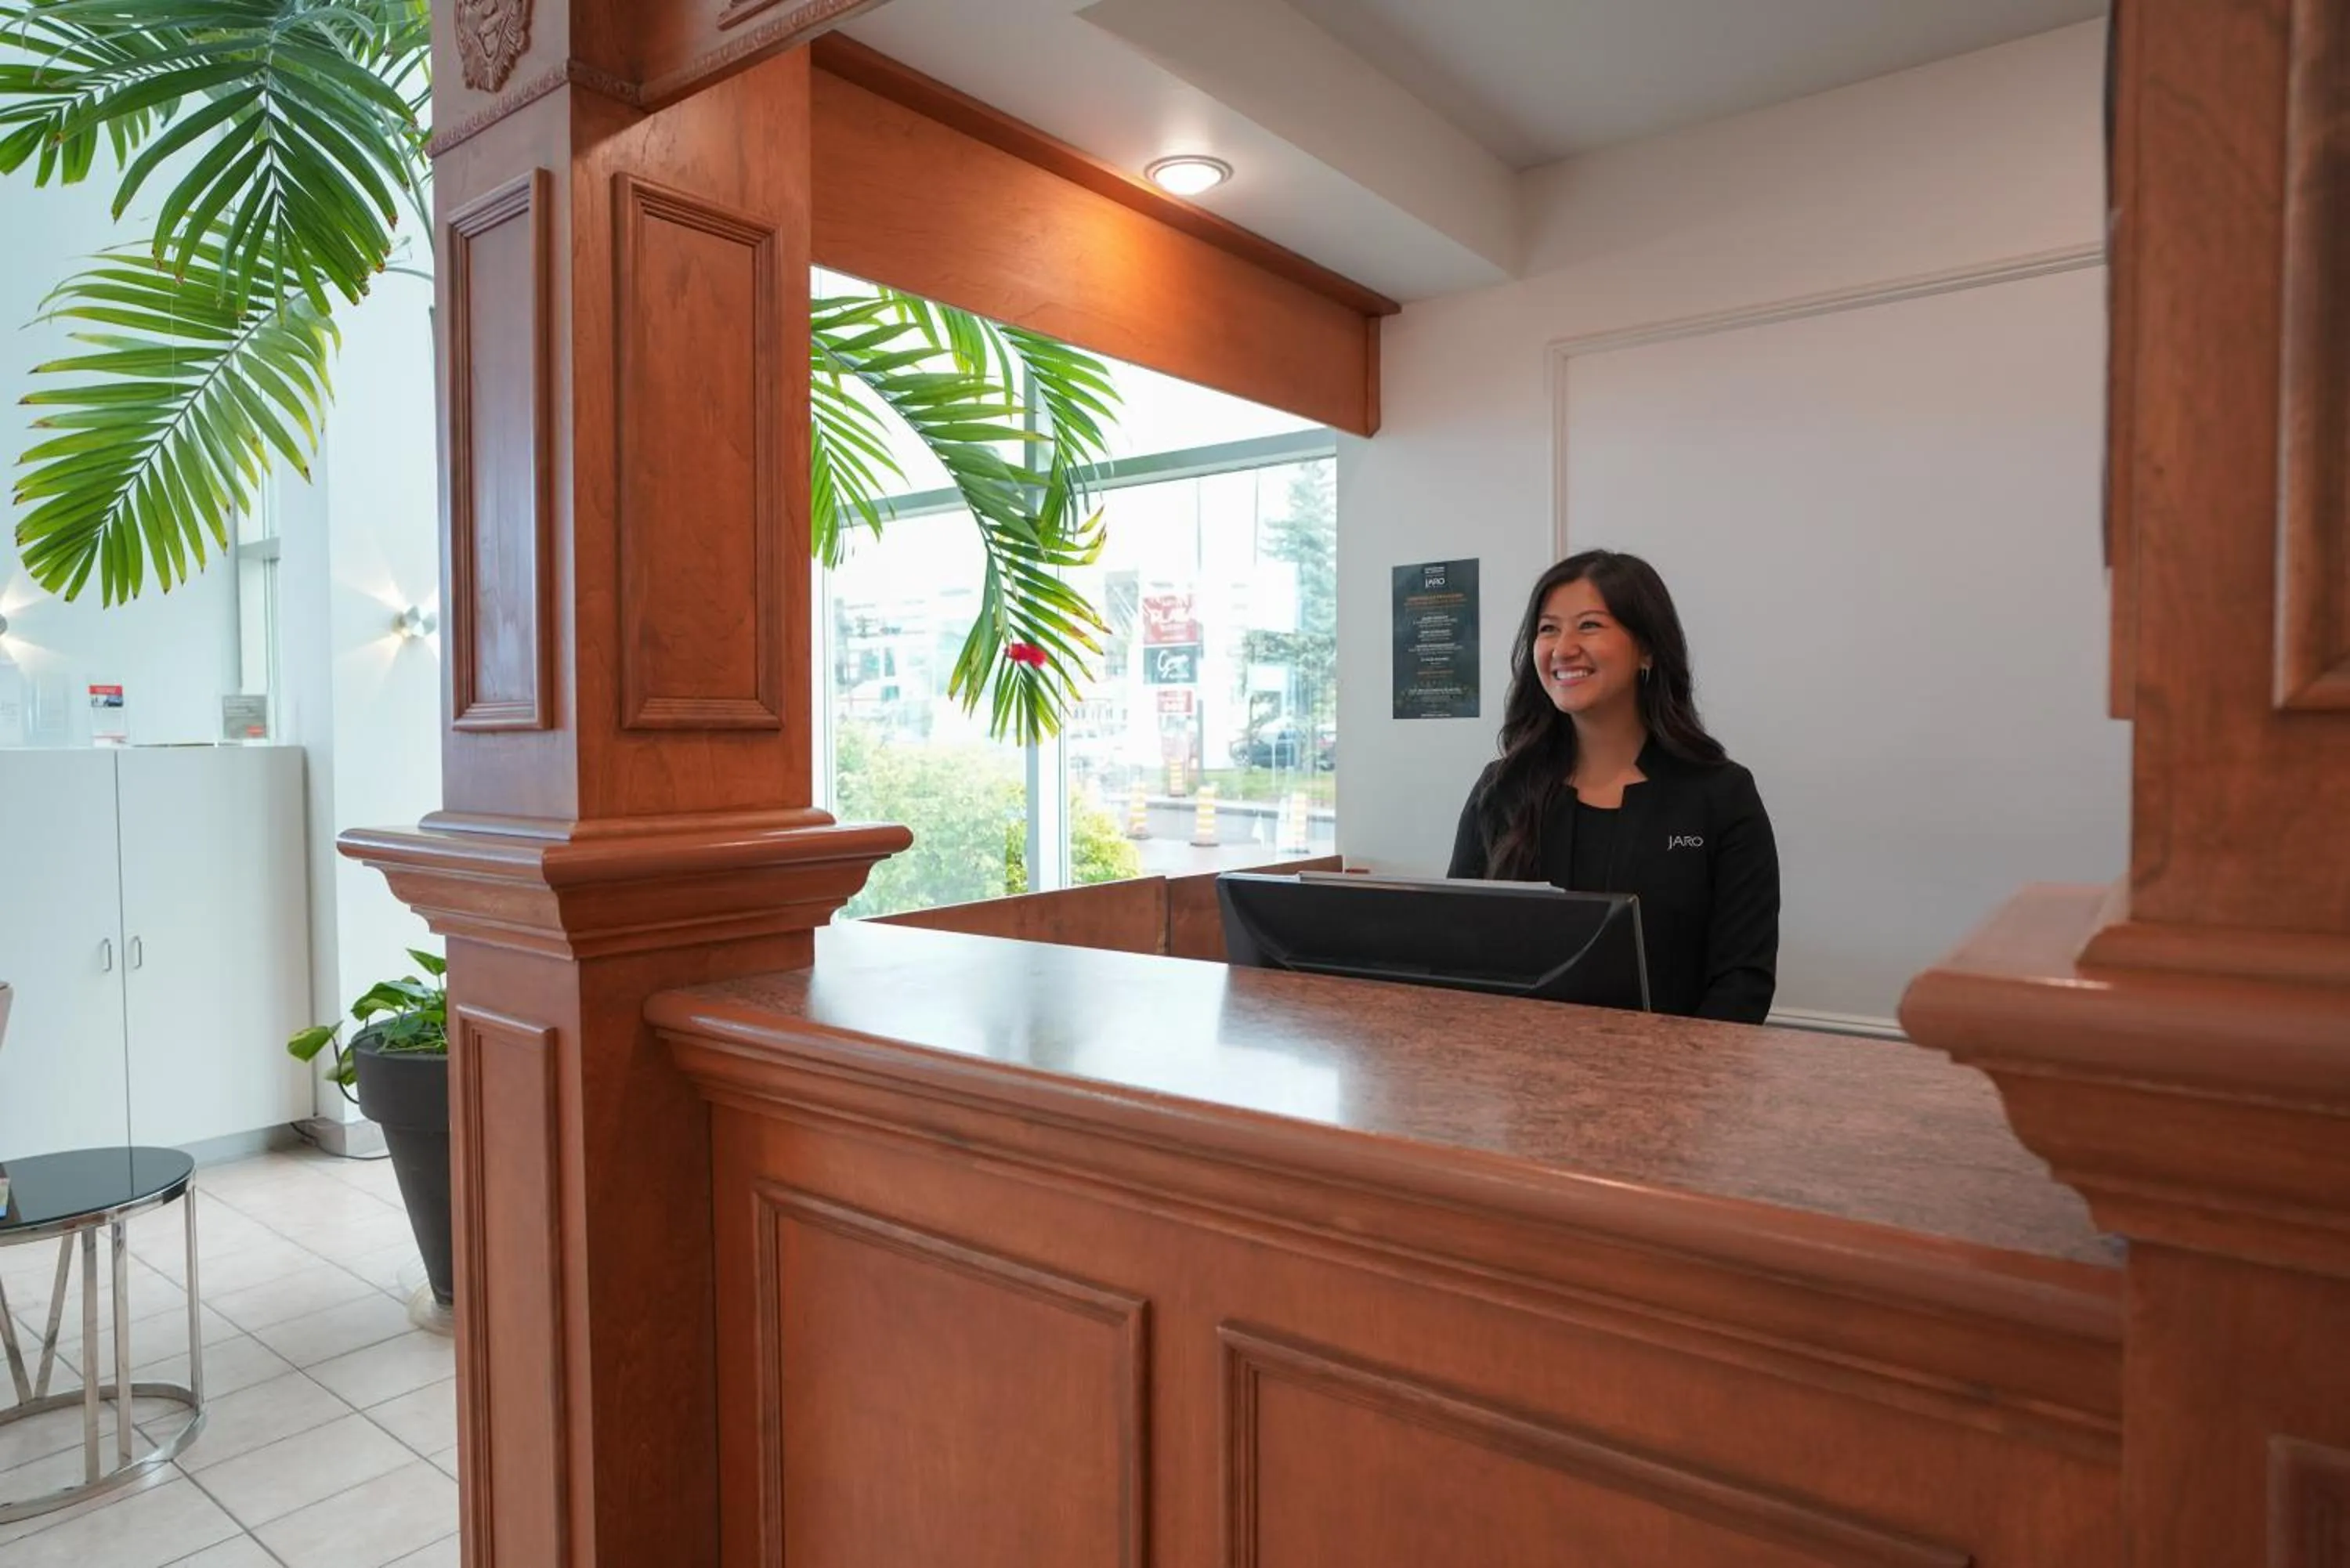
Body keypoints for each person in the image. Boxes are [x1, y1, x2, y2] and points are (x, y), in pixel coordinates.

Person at [1447, 550, 1779, 1023]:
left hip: (1676, 1082)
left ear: (1647, 649)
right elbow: (1459, 947)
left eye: (1589, 626)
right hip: (1519, 1079)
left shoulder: (1720, 794)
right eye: (1547, 629)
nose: (1563, 648)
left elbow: (1742, 980)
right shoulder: (1502, 789)